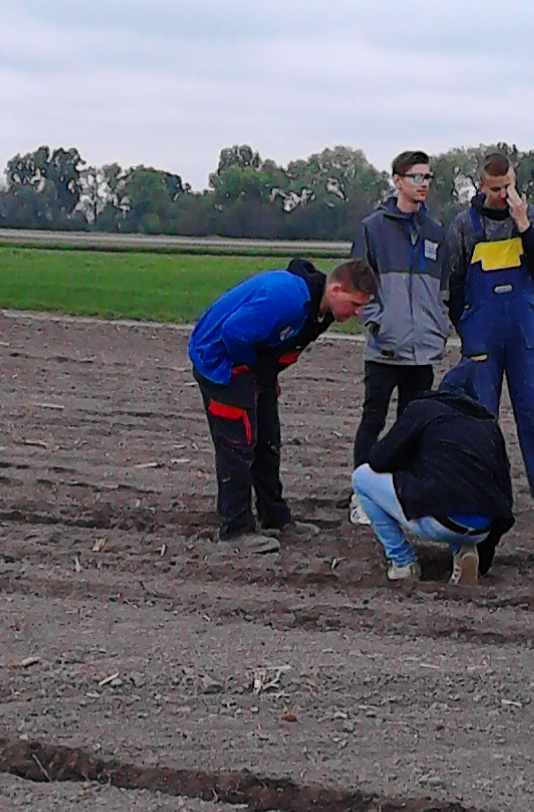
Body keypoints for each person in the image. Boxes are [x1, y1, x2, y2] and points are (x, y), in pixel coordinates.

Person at [189, 256, 375, 549]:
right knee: (237, 444)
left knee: (268, 440)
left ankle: (274, 516)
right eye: (355, 305)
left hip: (254, 366)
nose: (358, 313)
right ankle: (235, 530)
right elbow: (234, 332)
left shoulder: (320, 312)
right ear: (336, 290)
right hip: (221, 361)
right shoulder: (288, 298)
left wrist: (262, 374)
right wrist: (250, 370)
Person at [445, 152, 534, 518]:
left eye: (508, 187)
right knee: (480, 414)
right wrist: (465, 326)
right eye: (496, 189)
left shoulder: (532, 217)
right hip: (481, 333)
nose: (503, 195)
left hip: (523, 331)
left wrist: (522, 225)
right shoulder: (465, 226)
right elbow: (453, 282)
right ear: (481, 187)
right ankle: (481, 491)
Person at [347, 150, 450, 524]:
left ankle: (404, 494)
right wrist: (379, 327)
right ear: (397, 181)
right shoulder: (372, 229)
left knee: (413, 425)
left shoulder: (436, 232)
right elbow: (358, 283)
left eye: (427, 177)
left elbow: (444, 289)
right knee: (373, 420)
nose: (423, 184)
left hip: (422, 352)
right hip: (384, 351)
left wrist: (439, 328)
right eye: (416, 177)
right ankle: (362, 496)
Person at [350, 361, 514, 585]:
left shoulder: (424, 409)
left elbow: (379, 460)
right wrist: (486, 558)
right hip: (482, 527)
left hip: (439, 520)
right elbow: (505, 496)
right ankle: (464, 550)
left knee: (361, 478)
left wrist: (409, 463)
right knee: (461, 485)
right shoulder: (489, 426)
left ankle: (402, 562)